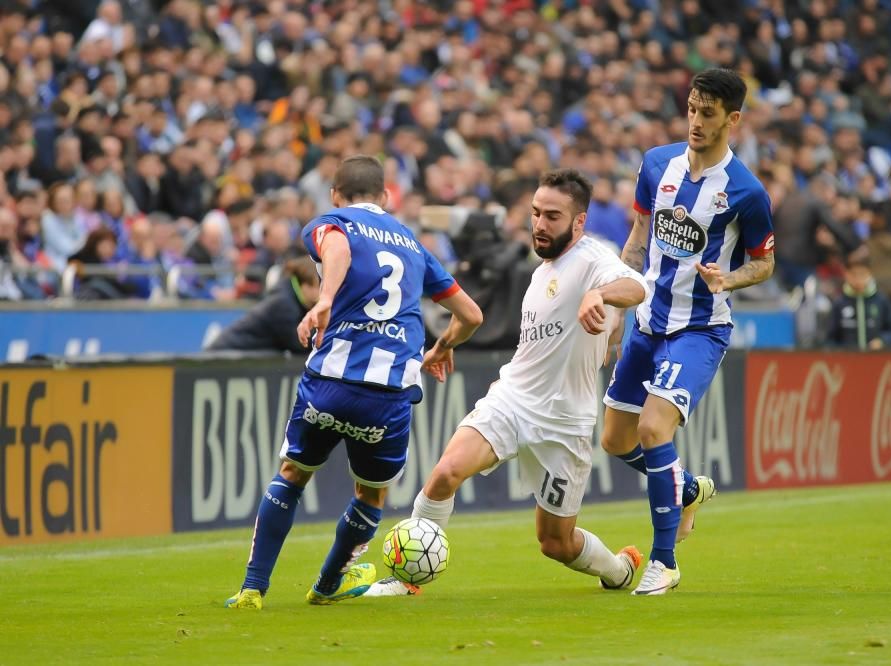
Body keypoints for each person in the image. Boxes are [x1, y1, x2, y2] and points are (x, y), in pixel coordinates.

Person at [366, 168, 650, 597]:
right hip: (513, 400)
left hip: (565, 421)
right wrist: (444, 343)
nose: (539, 224)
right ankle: (407, 582)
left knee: (555, 543)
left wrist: (601, 295)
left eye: (552, 216)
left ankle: (618, 570)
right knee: (445, 473)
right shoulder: (540, 272)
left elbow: (636, 286)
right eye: (535, 213)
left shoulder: (593, 259)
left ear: (578, 222)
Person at [226, 155, 483, 610]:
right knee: (371, 493)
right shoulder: (414, 245)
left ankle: (252, 588)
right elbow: (471, 315)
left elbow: (339, 248)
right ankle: (327, 586)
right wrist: (443, 346)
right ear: (385, 196)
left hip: (329, 382)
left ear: (335, 194)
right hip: (386, 397)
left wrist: (325, 299)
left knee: (292, 474)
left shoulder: (331, 222)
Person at [600, 68, 776, 595]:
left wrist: (731, 277)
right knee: (614, 438)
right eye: (693, 109)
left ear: (733, 120)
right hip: (648, 321)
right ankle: (687, 489)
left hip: (700, 329)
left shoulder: (746, 191)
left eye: (708, 113)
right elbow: (636, 238)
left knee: (655, 429)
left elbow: (764, 263)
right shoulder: (657, 164)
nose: (696, 121)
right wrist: (617, 300)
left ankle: (664, 561)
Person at [206, 256, 321, 354]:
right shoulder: (283, 304)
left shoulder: (289, 296)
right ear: (305, 285)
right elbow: (300, 344)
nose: (323, 291)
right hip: (224, 354)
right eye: (319, 285)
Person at [828, 250, 891, 350]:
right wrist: (842, 350)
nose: (858, 279)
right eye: (853, 274)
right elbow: (829, 339)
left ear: (870, 273)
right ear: (846, 274)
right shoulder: (839, 303)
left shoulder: (882, 301)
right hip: (847, 361)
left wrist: (882, 341)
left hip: (876, 360)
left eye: (862, 274)